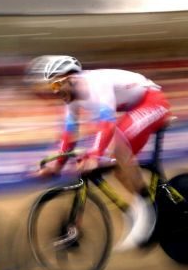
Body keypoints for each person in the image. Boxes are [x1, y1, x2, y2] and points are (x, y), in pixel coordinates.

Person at [27, 55, 170, 251]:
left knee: (116, 144)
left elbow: (107, 124)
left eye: (55, 86)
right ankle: (139, 209)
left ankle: (146, 210)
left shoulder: (95, 84)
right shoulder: (72, 99)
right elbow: (69, 134)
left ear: (70, 78)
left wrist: (94, 155)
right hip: (135, 108)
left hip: (153, 101)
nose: (55, 92)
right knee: (115, 163)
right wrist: (55, 166)